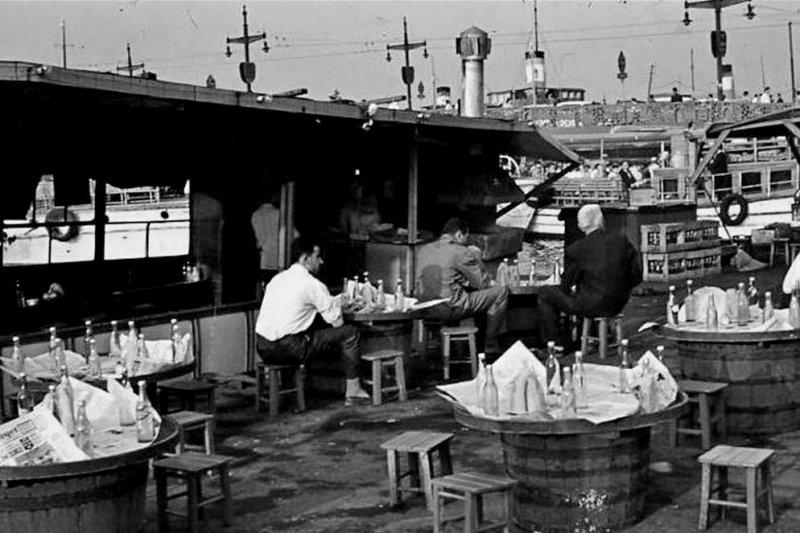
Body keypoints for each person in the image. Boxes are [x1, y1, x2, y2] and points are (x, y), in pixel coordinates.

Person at [255, 237, 370, 405]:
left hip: (263, 346)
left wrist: (333, 302)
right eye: (317, 257)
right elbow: (336, 321)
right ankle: (353, 390)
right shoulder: (312, 284)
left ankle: (291, 385)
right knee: (349, 333)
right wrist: (340, 305)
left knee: (301, 329)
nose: (321, 261)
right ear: (305, 258)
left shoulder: (277, 279)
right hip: (290, 348)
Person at [537, 205, 642, 346]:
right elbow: (636, 277)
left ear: (581, 224)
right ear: (600, 220)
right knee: (589, 293)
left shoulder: (577, 249)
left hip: (591, 305)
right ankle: (597, 333)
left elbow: (565, 286)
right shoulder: (622, 241)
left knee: (545, 293)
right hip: (618, 304)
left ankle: (555, 343)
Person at [416, 217, 509, 355]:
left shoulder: (424, 249)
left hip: (424, 307)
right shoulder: (460, 251)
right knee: (501, 292)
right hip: (449, 308)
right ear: (459, 234)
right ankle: (489, 343)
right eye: (466, 238)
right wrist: (476, 256)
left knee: (464, 295)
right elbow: (482, 284)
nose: (466, 242)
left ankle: (458, 346)